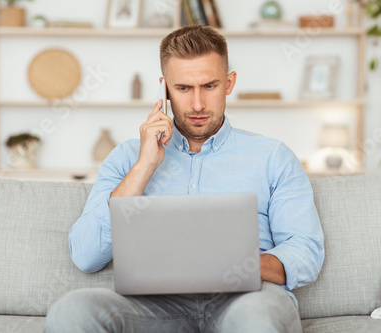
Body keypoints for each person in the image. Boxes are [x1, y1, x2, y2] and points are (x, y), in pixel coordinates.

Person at [44, 25, 324, 333]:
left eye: (209, 86)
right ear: (164, 90)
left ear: (229, 83)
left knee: (255, 319)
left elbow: (305, 251)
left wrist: (240, 266)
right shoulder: (128, 158)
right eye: (183, 89)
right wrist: (145, 166)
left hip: (248, 298)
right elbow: (86, 255)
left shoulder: (273, 156)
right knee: (72, 311)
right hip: (154, 306)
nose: (198, 105)